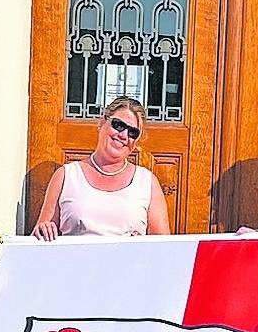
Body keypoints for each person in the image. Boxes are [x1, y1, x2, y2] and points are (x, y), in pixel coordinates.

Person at [31, 95, 171, 238]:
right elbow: (42, 236)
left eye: (132, 132)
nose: (123, 135)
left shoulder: (147, 182)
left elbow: (161, 244)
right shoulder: (66, 176)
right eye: (119, 125)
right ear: (102, 122)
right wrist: (43, 229)